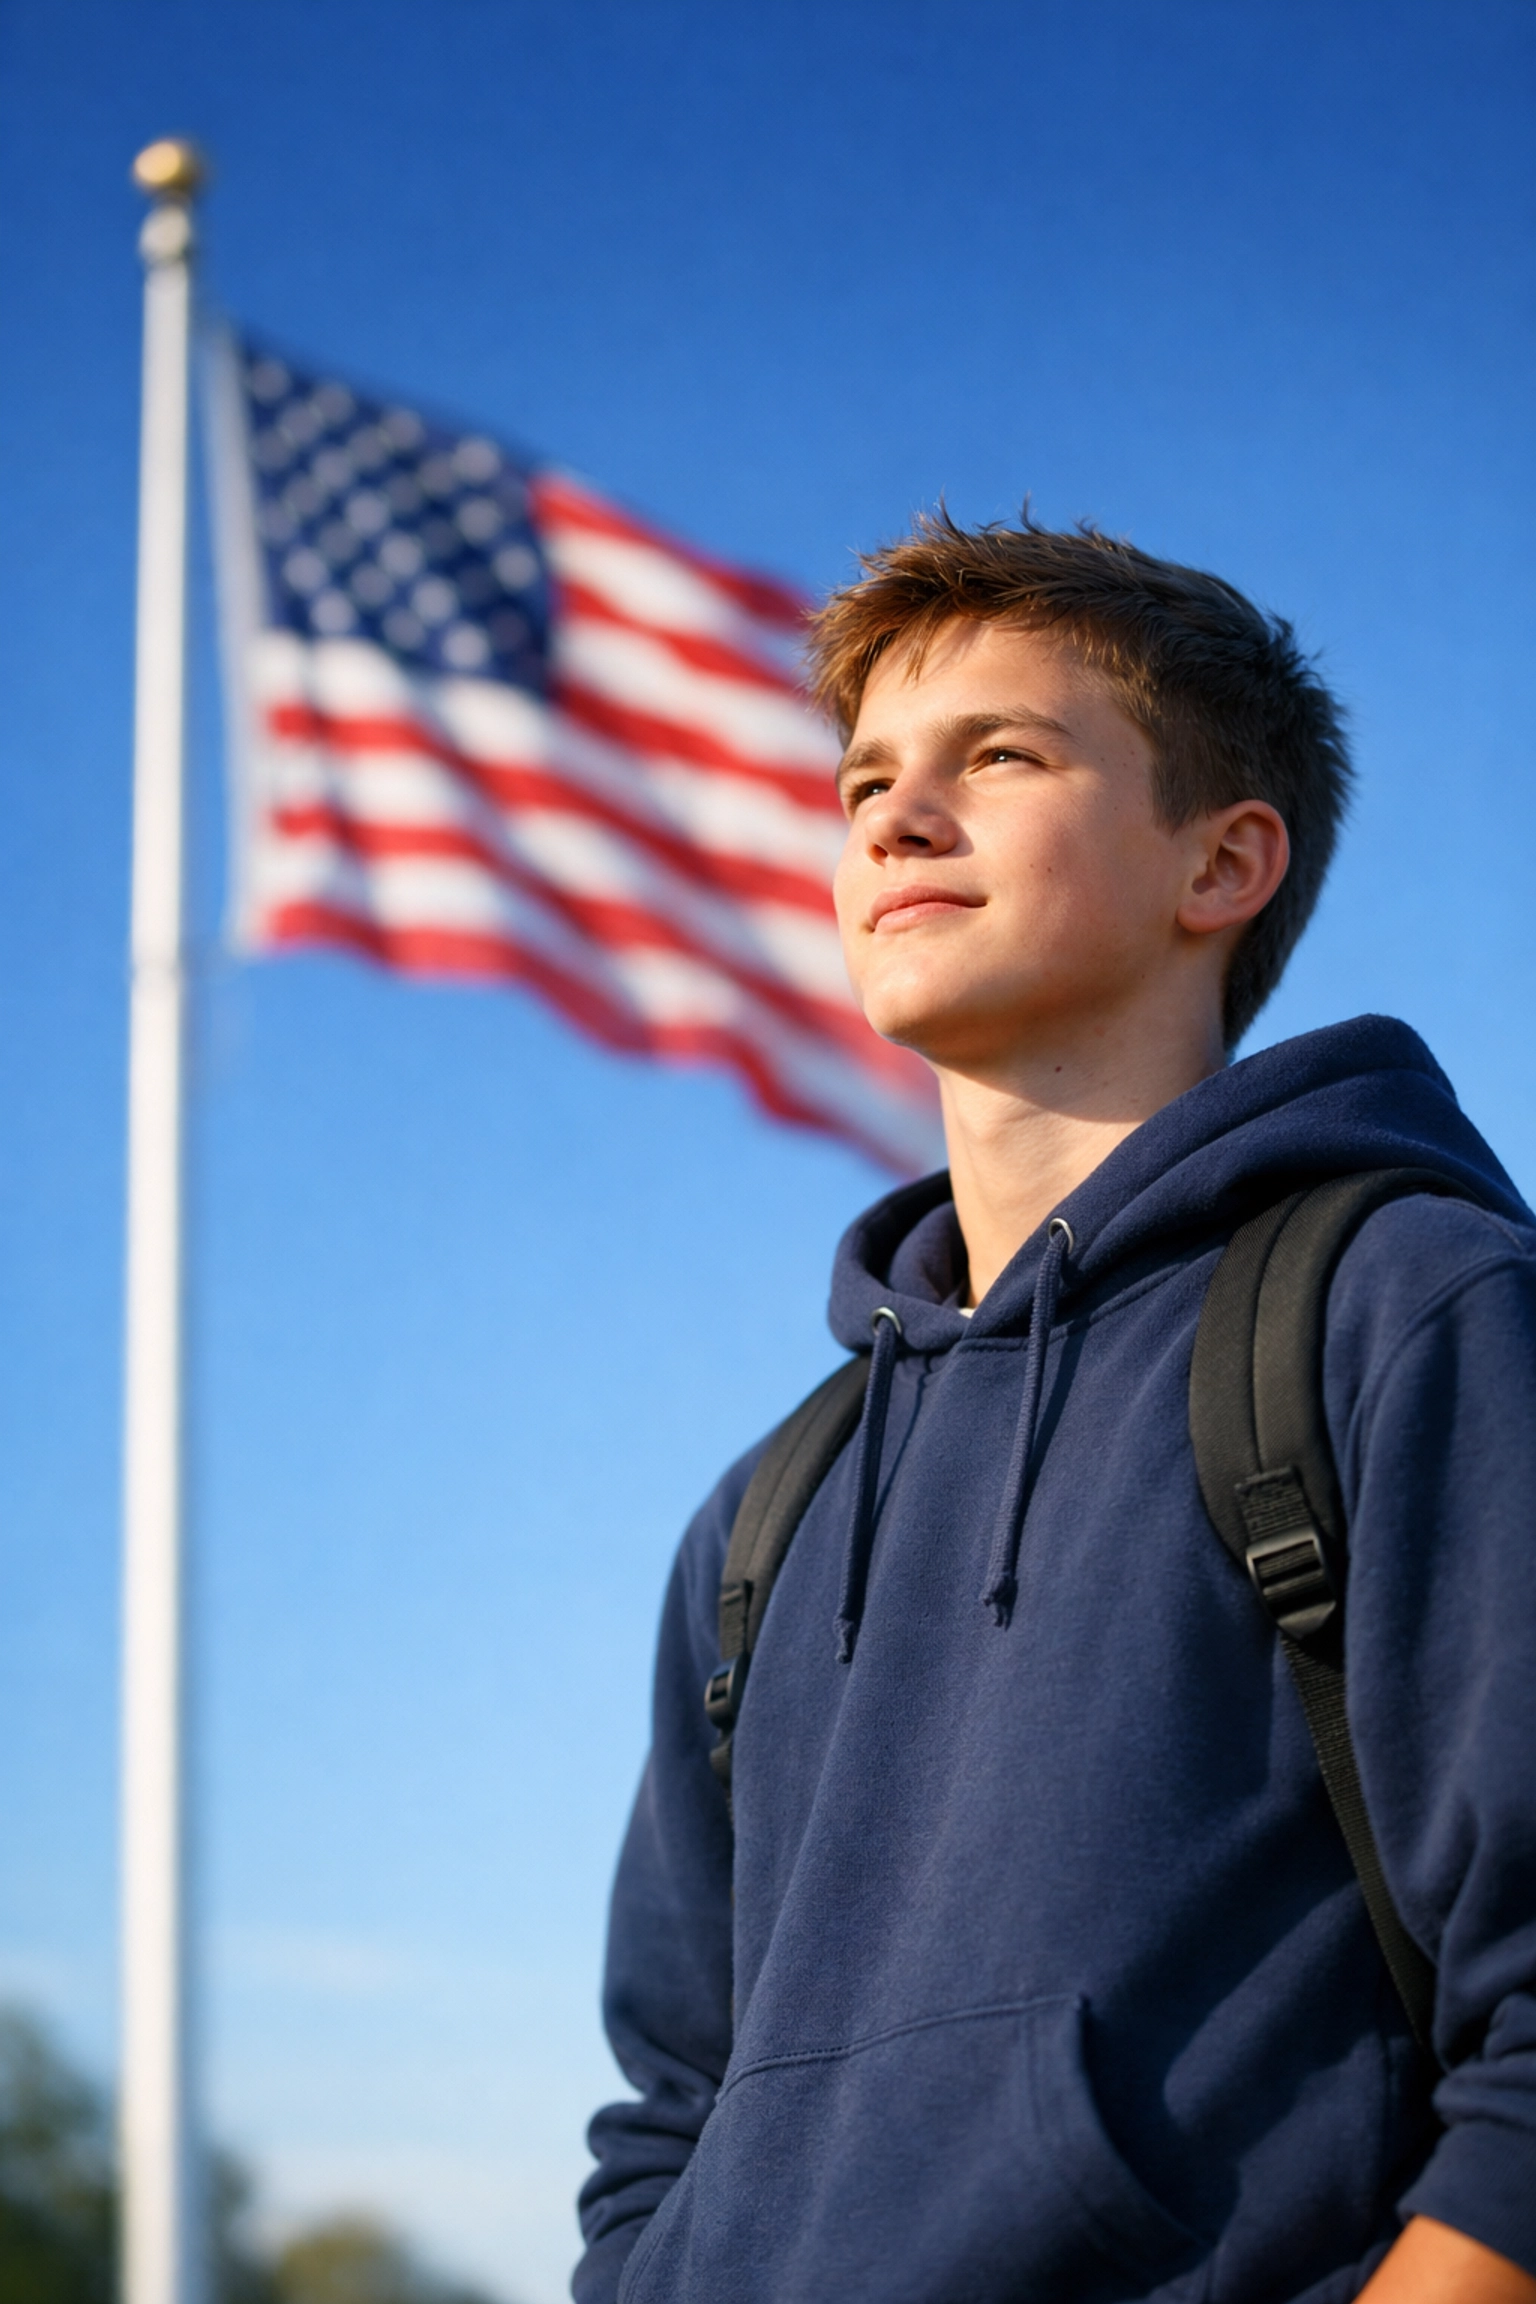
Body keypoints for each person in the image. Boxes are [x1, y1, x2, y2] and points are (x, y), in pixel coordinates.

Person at [573, 514, 1536, 2304]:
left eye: (997, 755)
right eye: (865, 780)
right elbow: (663, 2124)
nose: (892, 818)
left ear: (1222, 862)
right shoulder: (766, 1515)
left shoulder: (1399, 1310)